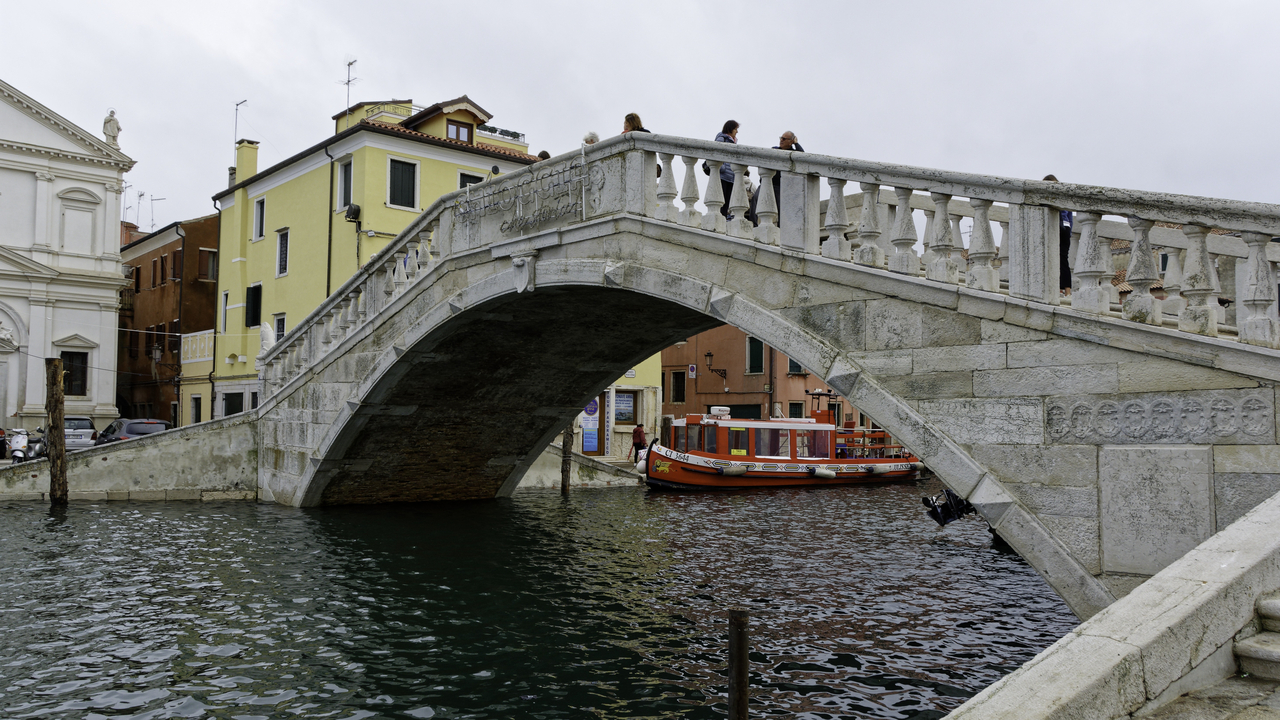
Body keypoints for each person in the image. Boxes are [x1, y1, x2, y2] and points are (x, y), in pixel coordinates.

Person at [751, 131, 805, 225]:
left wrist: (796, 143)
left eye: (784, 139)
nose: (781, 140)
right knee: (755, 198)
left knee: (781, 208)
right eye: (781, 138)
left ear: (791, 141)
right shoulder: (774, 150)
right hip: (767, 182)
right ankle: (753, 224)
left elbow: (802, 156)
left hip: (781, 186)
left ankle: (781, 230)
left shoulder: (794, 153)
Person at [1044, 174, 1074, 295]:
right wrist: (1069, 232)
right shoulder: (1064, 197)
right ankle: (1067, 291)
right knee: (1063, 260)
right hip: (1066, 229)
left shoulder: (1048, 197)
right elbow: (1070, 218)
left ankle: (1057, 289)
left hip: (1056, 228)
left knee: (1052, 259)